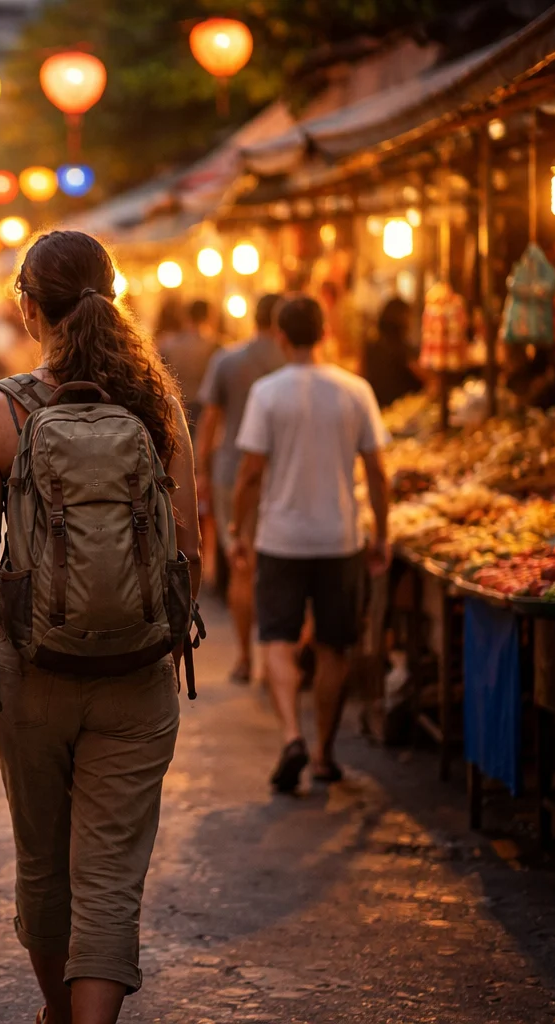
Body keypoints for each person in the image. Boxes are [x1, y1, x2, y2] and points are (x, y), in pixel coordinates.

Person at [0, 230, 200, 1024]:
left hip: (31, 671)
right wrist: (162, 630)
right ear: (113, 300)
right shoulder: (156, 407)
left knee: (43, 861)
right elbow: (188, 544)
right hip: (137, 672)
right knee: (111, 877)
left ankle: (57, 1013)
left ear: (28, 308)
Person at [230, 295, 390, 794]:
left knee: (277, 638)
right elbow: (378, 472)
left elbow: (250, 474)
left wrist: (236, 530)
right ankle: (323, 754)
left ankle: (292, 735)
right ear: (325, 333)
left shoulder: (267, 393)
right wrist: (383, 534)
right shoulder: (355, 390)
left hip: (281, 538)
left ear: (280, 336)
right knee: (333, 645)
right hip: (340, 538)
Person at [197, 293, 286, 685]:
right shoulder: (293, 362)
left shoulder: (227, 360)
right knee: (278, 569)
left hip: (232, 472)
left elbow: (210, 420)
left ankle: (246, 658)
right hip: (280, 474)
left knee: (241, 565)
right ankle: (274, 659)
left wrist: (201, 470)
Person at [158, 298, 219, 427]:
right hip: (203, 406)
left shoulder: (168, 344)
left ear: (185, 316)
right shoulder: (214, 345)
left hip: (174, 402)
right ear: (209, 316)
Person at [363, 297, 423, 409]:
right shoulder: (402, 348)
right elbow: (422, 375)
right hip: (399, 409)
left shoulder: (371, 344)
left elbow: (361, 373)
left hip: (377, 406)